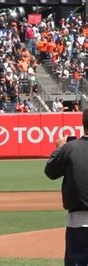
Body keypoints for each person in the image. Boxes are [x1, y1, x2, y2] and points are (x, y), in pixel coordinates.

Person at [44, 108, 88, 266]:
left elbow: (50, 172)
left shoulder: (70, 148)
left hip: (79, 222)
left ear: (83, 124)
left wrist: (59, 148)